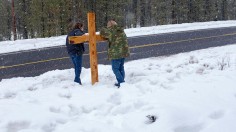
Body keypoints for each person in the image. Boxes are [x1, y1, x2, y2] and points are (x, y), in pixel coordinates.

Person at [100, 20, 130, 88]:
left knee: (115, 69)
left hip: (116, 53)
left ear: (109, 26)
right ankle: (121, 82)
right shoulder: (121, 30)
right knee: (121, 67)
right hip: (124, 52)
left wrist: (105, 28)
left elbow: (102, 32)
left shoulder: (111, 31)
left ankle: (122, 82)